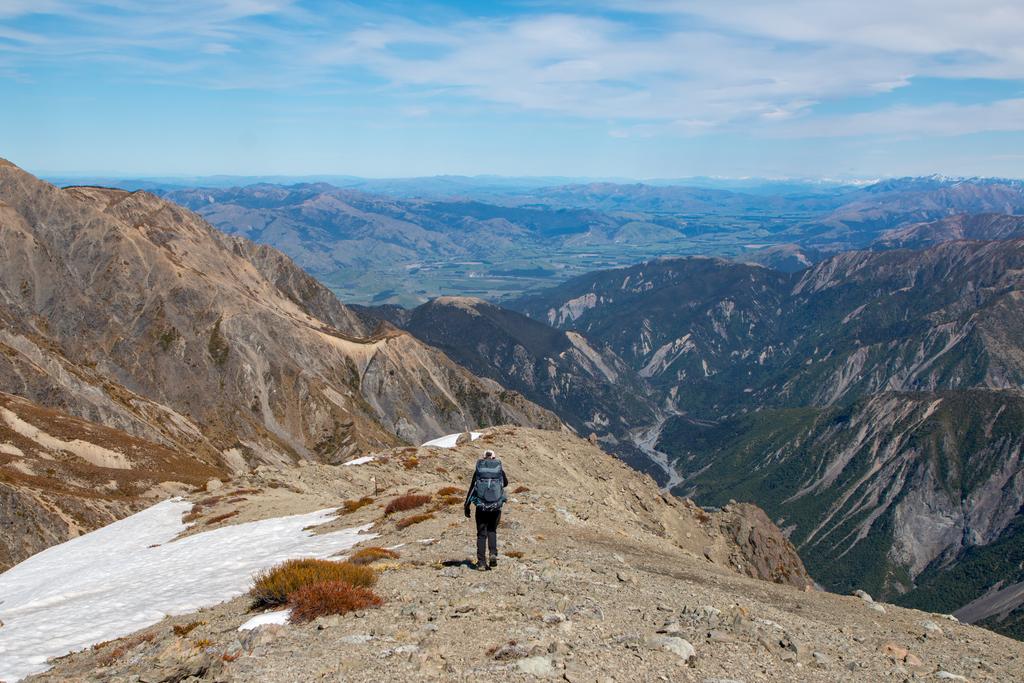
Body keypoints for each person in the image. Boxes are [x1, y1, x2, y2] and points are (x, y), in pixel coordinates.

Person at [464, 449, 508, 570]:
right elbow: (505, 483)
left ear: (483, 458)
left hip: (481, 506)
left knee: (481, 534)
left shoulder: (479, 471)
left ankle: (482, 563)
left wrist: (467, 505)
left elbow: (472, 488)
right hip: (495, 506)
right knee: (492, 530)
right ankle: (493, 553)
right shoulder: (499, 470)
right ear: (494, 458)